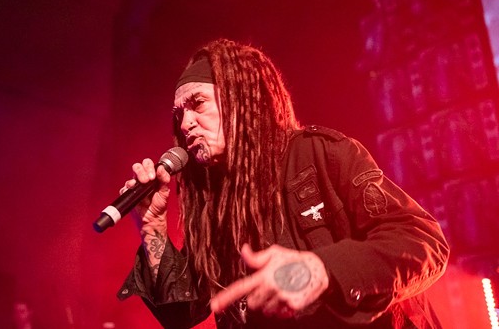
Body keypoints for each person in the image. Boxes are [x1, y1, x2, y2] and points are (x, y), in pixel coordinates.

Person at [116, 39, 449, 328]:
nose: (185, 123)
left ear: (241, 99)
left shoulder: (319, 154)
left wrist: (321, 270)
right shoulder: (212, 204)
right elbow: (180, 313)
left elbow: (423, 242)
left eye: (198, 104)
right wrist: (152, 228)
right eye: (178, 114)